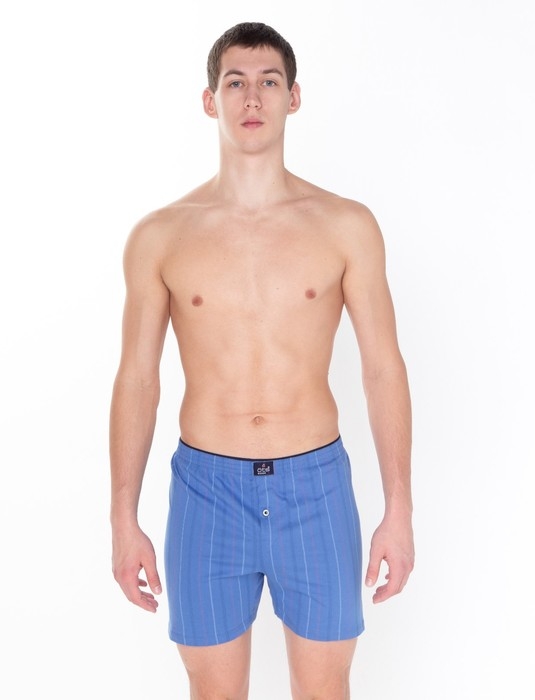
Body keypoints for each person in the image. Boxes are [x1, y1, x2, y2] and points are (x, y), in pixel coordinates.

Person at [110, 21, 414, 699]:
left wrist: (399, 509)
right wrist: (122, 519)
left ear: (293, 97)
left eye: (269, 82)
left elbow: (383, 368)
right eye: (235, 83)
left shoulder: (345, 226)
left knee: (325, 690)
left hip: (315, 486)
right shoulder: (160, 236)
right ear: (210, 100)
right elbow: (137, 379)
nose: (252, 98)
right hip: (205, 492)